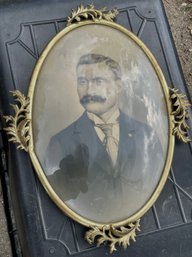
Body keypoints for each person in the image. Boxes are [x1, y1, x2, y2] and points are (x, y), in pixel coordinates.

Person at [44, 54, 162, 219]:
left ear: (119, 86)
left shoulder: (146, 134)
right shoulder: (60, 142)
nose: (89, 91)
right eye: (82, 82)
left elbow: (158, 185)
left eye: (98, 81)